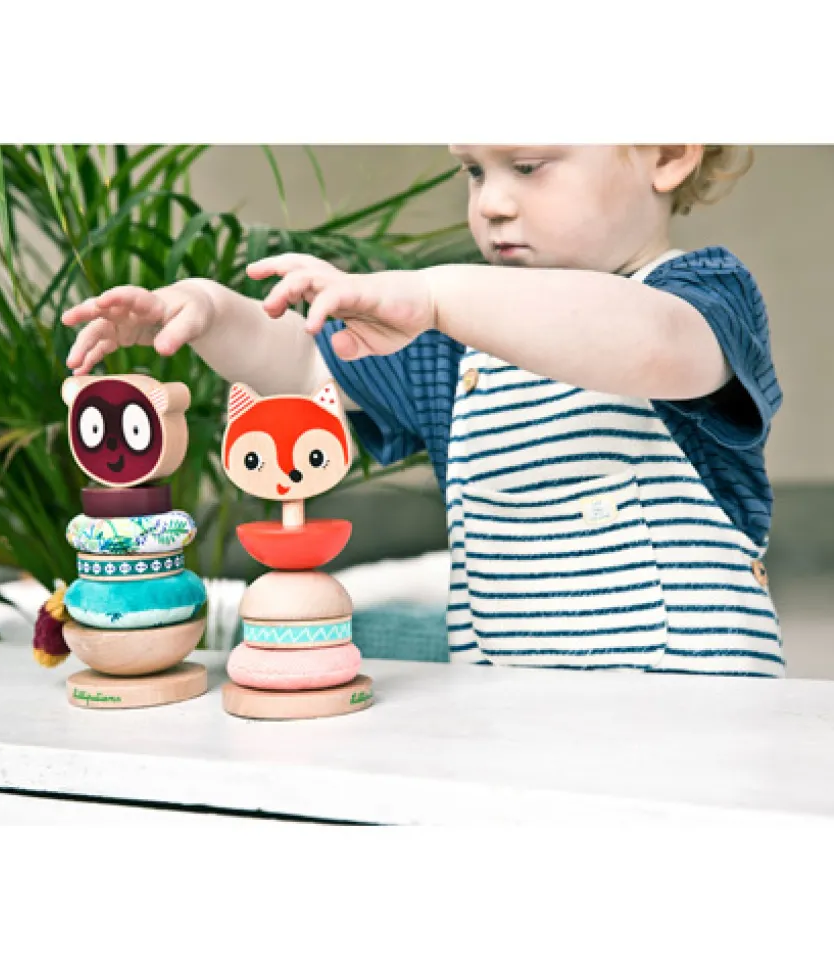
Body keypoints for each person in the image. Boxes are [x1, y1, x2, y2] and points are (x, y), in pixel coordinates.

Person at [63, 144, 783, 677]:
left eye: (527, 166)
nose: (491, 203)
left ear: (668, 153)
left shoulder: (700, 297)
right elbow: (309, 367)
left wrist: (437, 296)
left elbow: (648, 342)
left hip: (690, 720)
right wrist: (214, 312)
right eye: (474, 171)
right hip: (508, 718)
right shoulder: (457, 352)